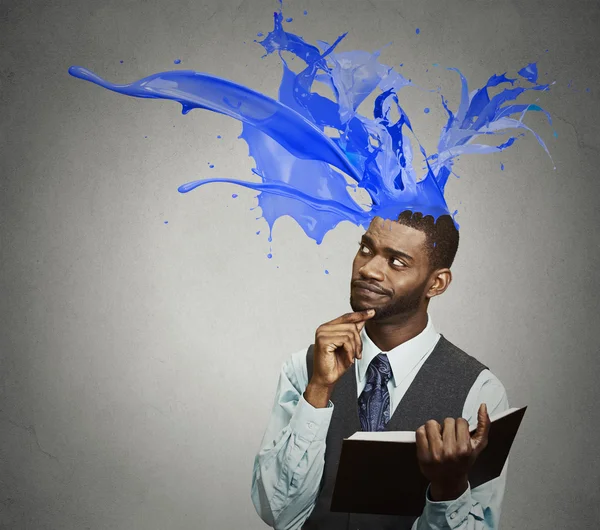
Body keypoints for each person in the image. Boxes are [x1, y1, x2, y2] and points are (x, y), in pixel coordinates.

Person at [251, 211, 510, 530]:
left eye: (397, 262)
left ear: (437, 282)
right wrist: (318, 389)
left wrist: (449, 489)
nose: (369, 269)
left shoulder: (480, 392)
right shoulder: (303, 369)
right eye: (366, 249)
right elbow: (277, 513)